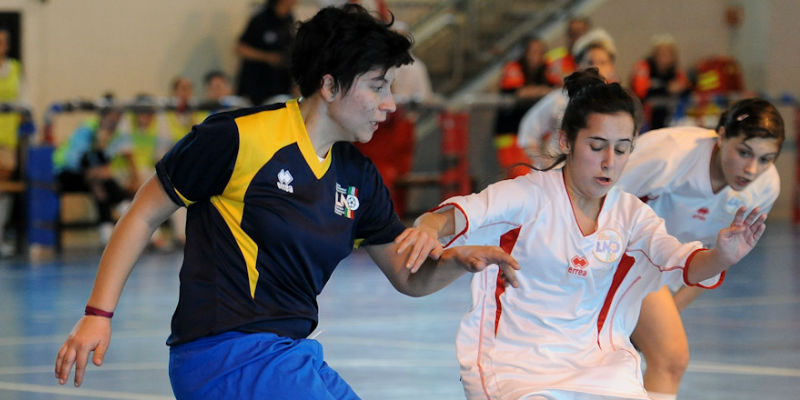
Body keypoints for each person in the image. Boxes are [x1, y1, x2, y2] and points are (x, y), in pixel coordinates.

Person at [54, 5, 519, 398]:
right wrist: (98, 316)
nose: (390, 104)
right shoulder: (237, 137)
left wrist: (460, 261)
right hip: (224, 356)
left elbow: (408, 276)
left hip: (290, 354)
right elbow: (142, 215)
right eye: (378, 87)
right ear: (330, 86)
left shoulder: (357, 176)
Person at [414, 69, 767, 399]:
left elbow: (683, 261)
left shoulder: (632, 216)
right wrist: (429, 227)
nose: (609, 161)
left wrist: (722, 256)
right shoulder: (527, 195)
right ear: (566, 141)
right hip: (513, 365)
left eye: (622, 148)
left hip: (599, 366)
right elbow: (455, 215)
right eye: (597, 146)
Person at [615, 98, 784, 400]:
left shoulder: (765, 187)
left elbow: (720, 257)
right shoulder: (667, 154)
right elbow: (594, 198)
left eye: (765, 159)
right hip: (614, 253)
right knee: (660, 358)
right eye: (744, 152)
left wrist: (671, 309)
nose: (751, 169)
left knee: (668, 359)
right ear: (721, 136)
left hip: (663, 271)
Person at [517, 28, 616, 168]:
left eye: (603, 62)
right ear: (578, 65)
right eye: (590, 61)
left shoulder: (618, 104)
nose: (596, 67)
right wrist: (545, 164)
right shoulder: (561, 97)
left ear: (612, 67)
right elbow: (528, 131)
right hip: (556, 173)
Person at [52, 105, 129, 244]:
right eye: (111, 120)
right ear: (102, 118)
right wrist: (99, 149)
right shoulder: (87, 129)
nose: (113, 124)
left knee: (101, 183)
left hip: (92, 178)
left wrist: (102, 148)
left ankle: (116, 219)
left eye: (117, 121)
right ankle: (122, 211)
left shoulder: (115, 134)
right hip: (66, 173)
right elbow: (76, 160)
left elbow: (106, 163)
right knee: (98, 183)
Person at [493, 35, 558, 178]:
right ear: (524, 54)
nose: (537, 56)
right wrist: (544, 91)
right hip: (511, 135)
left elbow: (558, 88)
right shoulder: (514, 67)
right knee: (520, 176)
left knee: (539, 176)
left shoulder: (546, 70)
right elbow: (516, 92)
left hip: (534, 136)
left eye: (541, 52)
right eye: (533, 52)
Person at [234, 0, 297, 105]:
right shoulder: (260, 19)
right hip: (256, 83)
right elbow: (240, 48)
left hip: (279, 85)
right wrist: (267, 57)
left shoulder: (289, 19)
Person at [630, 34, 690, 131]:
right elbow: (640, 92)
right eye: (661, 53)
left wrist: (682, 88)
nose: (664, 57)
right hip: (645, 122)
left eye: (668, 53)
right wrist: (667, 89)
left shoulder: (676, 71)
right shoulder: (643, 67)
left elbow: (687, 88)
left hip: (669, 121)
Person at [0, 28, 24, 256]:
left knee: (4, 188)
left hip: (7, 137)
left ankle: (1, 235)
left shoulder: (15, 68)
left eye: (3, 42)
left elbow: (22, 98)